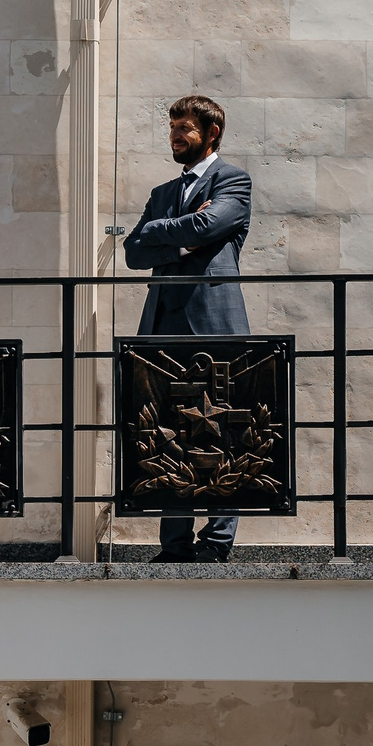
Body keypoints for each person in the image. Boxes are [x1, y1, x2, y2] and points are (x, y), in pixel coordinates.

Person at [122, 93, 252, 561]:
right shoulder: (161, 194)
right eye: (173, 128)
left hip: (214, 325)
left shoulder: (233, 180)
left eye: (185, 129)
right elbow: (133, 253)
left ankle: (217, 543)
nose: (176, 136)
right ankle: (174, 545)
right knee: (167, 433)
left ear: (211, 133)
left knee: (225, 431)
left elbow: (210, 226)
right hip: (163, 329)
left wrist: (164, 232)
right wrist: (179, 236)